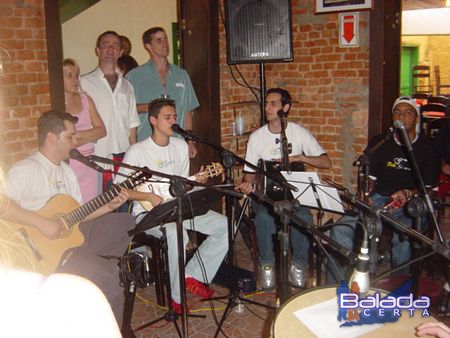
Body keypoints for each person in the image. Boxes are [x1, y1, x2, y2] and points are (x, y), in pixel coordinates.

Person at [5, 110, 134, 327]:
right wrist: (40, 222)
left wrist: (108, 206)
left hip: (69, 241)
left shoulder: (67, 172)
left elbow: (79, 214)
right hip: (37, 252)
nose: (76, 141)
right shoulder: (25, 170)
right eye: (70, 136)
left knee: (124, 221)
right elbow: (3, 204)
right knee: (111, 276)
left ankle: (89, 268)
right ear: (51, 138)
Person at [114, 98, 228, 313]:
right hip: (148, 213)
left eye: (175, 117)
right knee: (178, 234)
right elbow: (119, 189)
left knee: (225, 226)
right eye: (167, 118)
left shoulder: (180, 146)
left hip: (178, 206)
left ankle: (192, 276)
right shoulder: (138, 151)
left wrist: (197, 182)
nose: (173, 122)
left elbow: (181, 185)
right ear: (153, 121)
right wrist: (146, 196)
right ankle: (176, 298)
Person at [328, 96, 440, 283]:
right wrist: (366, 191)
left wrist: (408, 193)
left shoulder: (428, 148)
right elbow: (370, 178)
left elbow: (429, 189)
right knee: (341, 228)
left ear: (416, 118)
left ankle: (397, 287)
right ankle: (342, 283)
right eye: (397, 112)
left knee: (403, 240)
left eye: (407, 112)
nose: (401, 116)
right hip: (381, 198)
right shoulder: (381, 142)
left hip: (411, 203)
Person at [238, 88, 331, 289]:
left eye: (273, 103)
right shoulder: (257, 137)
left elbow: (326, 162)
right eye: (266, 103)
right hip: (266, 195)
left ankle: (298, 265)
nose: (267, 107)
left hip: (294, 195)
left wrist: (302, 157)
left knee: (304, 218)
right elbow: (250, 173)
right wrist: (247, 184)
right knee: (262, 217)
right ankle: (267, 266)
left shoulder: (298, 133)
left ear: (285, 108)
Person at [80, 30, 140, 190]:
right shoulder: (83, 83)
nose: (110, 49)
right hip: (96, 160)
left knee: (123, 210)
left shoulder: (127, 86)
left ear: (121, 52)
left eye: (115, 46)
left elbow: (132, 129)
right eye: (105, 45)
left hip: (123, 160)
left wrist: (135, 161)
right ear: (98, 51)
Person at [126, 26, 199, 158]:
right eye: (159, 40)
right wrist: (150, 107)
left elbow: (188, 111)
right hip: (147, 144)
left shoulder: (181, 75)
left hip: (177, 144)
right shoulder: (134, 76)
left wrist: (189, 141)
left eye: (165, 39)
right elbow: (126, 111)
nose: (165, 43)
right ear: (148, 46)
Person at [63, 58, 106, 201]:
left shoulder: (85, 99)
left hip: (89, 163)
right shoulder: (55, 103)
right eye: (69, 75)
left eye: (76, 75)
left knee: (91, 207)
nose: (74, 79)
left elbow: (102, 131)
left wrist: (77, 134)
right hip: (68, 165)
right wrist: (91, 136)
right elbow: (67, 143)